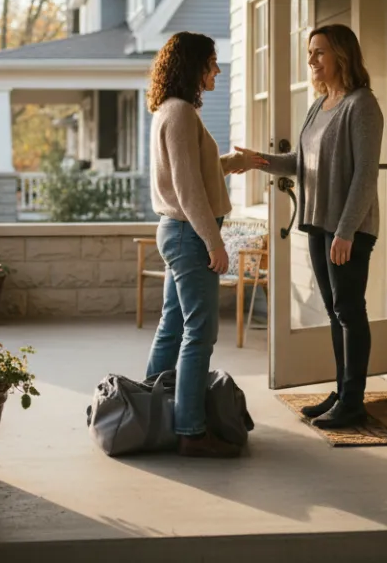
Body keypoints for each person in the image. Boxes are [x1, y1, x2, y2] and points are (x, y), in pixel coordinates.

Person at [238, 24, 384, 429]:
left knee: (350, 310)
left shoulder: (362, 105)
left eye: (318, 52)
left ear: (342, 55)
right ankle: (343, 390)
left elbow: (365, 175)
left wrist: (346, 231)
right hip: (320, 222)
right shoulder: (319, 106)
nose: (311, 60)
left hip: (347, 228)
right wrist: (259, 160)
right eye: (310, 52)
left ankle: (353, 402)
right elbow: (300, 165)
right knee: (336, 310)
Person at [145, 31, 254, 458]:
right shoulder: (181, 113)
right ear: (193, 66)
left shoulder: (171, 111)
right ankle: (191, 431)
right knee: (199, 333)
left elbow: (193, 172)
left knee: (173, 327)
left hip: (179, 232)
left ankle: (153, 413)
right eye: (212, 62)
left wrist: (233, 162)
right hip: (189, 235)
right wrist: (215, 243)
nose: (218, 70)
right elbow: (188, 190)